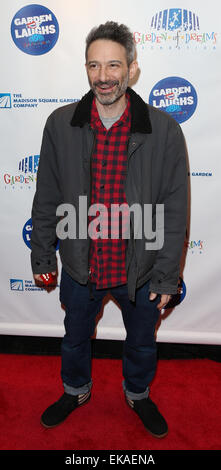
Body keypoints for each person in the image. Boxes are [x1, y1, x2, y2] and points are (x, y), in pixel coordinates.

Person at [31, 21, 188, 438]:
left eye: (114, 65)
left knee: (141, 343)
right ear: (86, 69)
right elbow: (47, 193)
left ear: (132, 69)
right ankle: (76, 389)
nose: (103, 76)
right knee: (74, 338)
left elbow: (175, 209)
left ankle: (138, 394)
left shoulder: (165, 130)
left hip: (141, 266)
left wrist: (167, 274)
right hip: (83, 262)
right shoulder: (61, 124)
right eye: (94, 66)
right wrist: (43, 255)